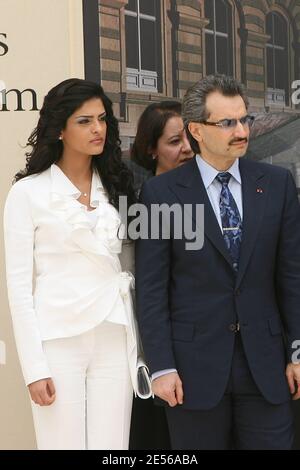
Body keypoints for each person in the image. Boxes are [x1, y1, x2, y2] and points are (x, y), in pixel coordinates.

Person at [135, 74, 300, 450]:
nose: (241, 130)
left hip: (267, 368)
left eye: (245, 119)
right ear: (197, 129)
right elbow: (152, 288)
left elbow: (293, 277)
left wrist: (298, 351)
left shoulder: (277, 184)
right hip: (192, 373)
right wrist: (161, 366)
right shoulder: (160, 194)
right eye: (227, 122)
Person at [3, 78, 138, 450]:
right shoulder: (27, 193)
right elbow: (18, 287)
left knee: (113, 450)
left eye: (101, 119)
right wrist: (34, 368)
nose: (97, 128)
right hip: (58, 340)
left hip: (114, 334)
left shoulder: (116, 186)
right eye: (84, 121)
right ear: (59, 128)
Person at [122, 101, 194, 450]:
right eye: (174, 141)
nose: (186, 149)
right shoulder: (139, 205)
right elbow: (146, 285)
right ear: (151, 149)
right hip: (157, 350)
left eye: (189, 138)